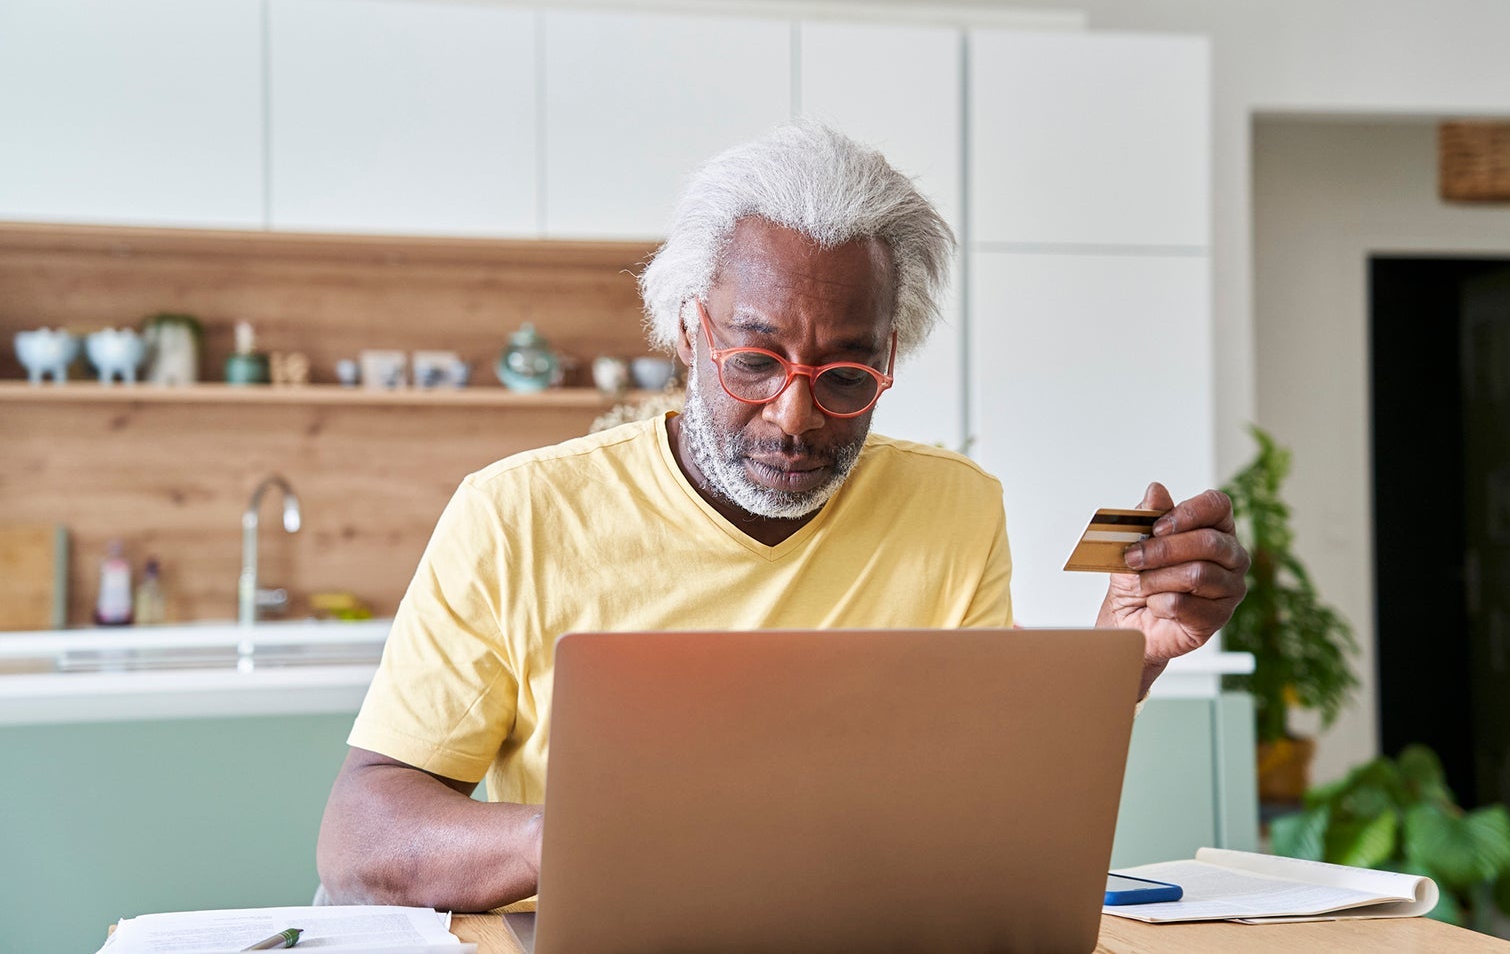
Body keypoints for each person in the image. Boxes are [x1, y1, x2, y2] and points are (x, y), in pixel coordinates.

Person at [316, 121, 1249, 910]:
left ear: (891, 354)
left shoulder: (956, 508)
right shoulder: (517, 513)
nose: (796, 417)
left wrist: (1122, 658)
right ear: (688, 329)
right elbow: (361, 837)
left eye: (846, 376)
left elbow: (983, 804)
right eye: (755, 363)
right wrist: (591, 839)